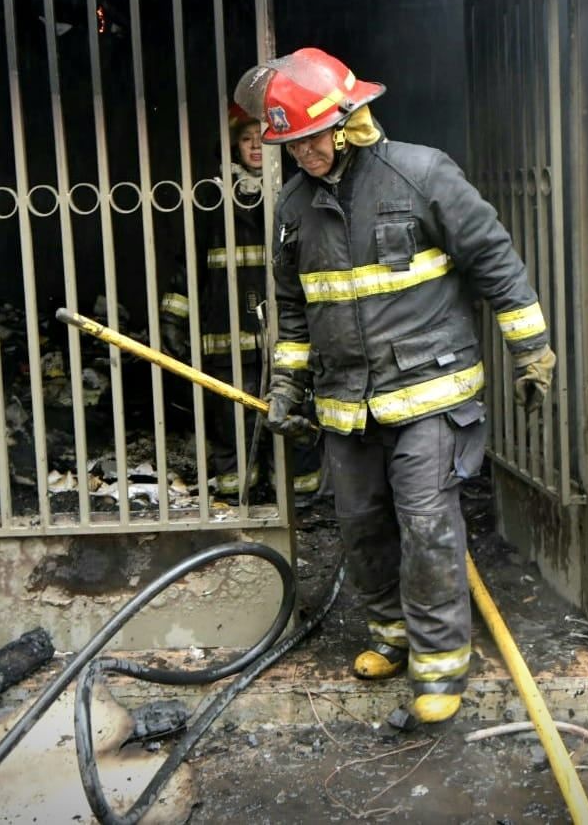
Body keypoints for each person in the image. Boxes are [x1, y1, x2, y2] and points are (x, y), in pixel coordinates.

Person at [234, 47, 556, 724]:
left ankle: (441, 665)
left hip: (429, 395)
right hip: (345, 403)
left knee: (426, 523)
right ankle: (391, 634)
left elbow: (494, 260)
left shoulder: (421, 173)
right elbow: (294, 310)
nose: (301, 154)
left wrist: (531, 350)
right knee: (360, 525)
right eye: (287, 145)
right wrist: (287, 387)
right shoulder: (293, 207)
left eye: (309, 139)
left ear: (350, 121)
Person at [160, 103, 321, 499]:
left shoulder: (298, 193)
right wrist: (172, 317)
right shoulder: (211, 198)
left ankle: (297, 496)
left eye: (260, 139)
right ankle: (239, 494)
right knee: (232, 416)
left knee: (293, 408)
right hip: (227, 326)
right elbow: (189, 262)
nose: (254, 147)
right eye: (246, 139)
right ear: (233, 145)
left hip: (287, 327)